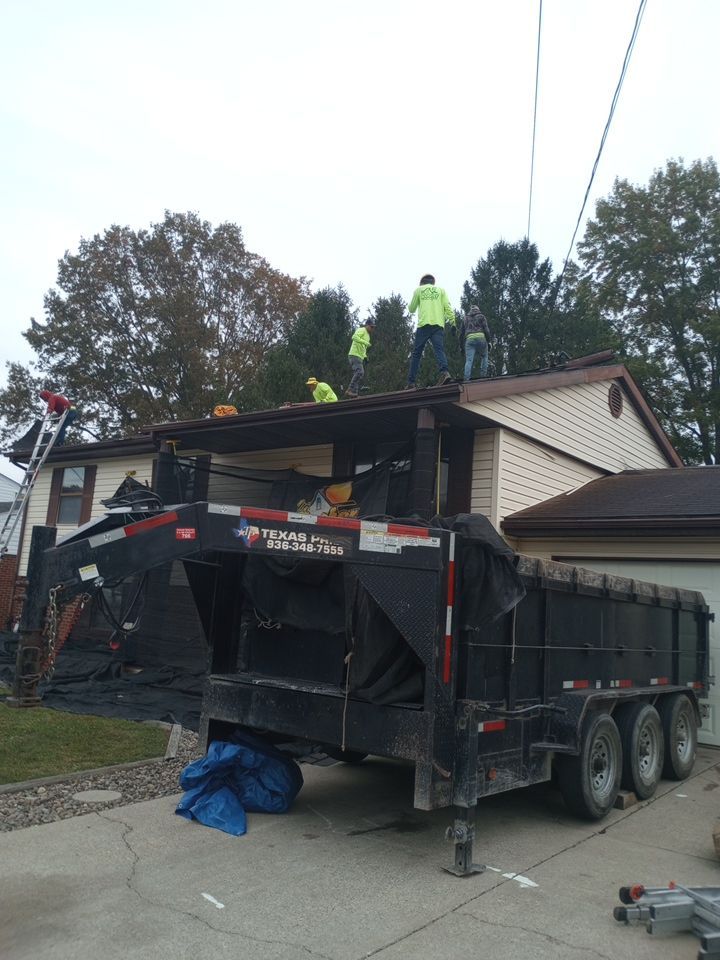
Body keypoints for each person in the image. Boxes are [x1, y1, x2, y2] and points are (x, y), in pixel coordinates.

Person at [405, 273, 456, 389]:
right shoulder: (440, 290)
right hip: (438, 325)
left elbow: (411, 309)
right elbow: (447, 307)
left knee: (417, 354)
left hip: (423, 325)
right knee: (439, 350)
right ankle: (445, 373)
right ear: (433, 282)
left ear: (422, 282)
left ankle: (411, 382)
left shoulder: (419, 290)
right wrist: (453, 323)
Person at [346, 318, 376, 398]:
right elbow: (354, 337)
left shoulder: (368, 336)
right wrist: (365, 342)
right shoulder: (362, 330)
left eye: (373, 327)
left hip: (360, 356)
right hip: (354, 354)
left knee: (358, 374)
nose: (372, 329)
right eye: (371, 327)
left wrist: (365, 357)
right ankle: (350, 390)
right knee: (360, 372)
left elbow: (363, 348)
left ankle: (354, 394)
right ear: (367, 325)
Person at [460, 306, 491, 380]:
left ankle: (466, 378)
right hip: (481, 337)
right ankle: (483, 376)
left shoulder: (465, 318)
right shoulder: (481, 316)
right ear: (478, 310)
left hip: (469, 339)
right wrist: (488, 341)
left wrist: (461, 346)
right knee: (484, 356)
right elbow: (486, 330)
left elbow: (461, 334)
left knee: (469, 360)